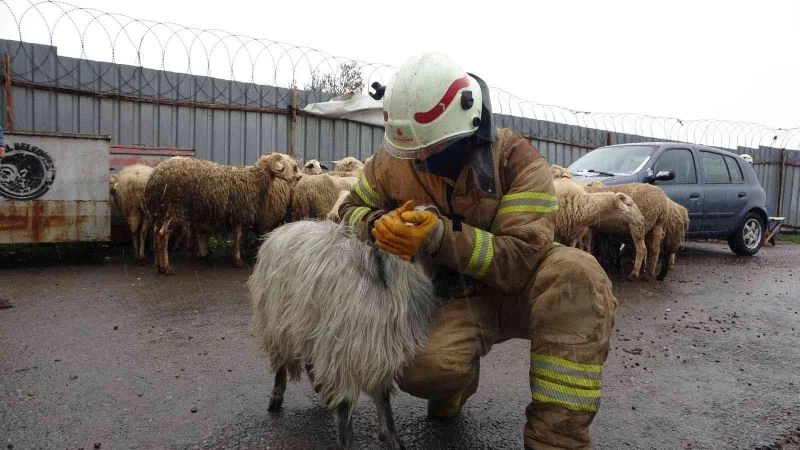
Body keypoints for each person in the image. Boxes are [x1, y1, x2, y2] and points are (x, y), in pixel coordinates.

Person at [338, 52, 617, 450]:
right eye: (410, 151)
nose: (418, 159)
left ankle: (558, 440)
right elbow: (348, 210)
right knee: (422, 370)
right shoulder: (391, 161)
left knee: (577, 274)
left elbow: (520, 258)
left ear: (467, 126)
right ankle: (455, 383)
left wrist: (438, 236)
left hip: (517, 290)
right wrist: (373, 225)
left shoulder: (516, 160)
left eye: (429, 148)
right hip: (449, 297)